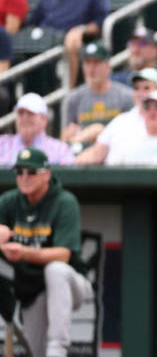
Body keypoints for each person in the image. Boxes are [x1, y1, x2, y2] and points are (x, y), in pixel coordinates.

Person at [0, 148, 93, 357]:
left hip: (73, 284)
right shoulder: (9, 201)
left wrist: (23, 252)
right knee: (38, 352)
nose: (25, 177)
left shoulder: (64, 201)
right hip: (34, 290)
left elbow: (63, 255)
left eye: (32, 172)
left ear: (47, 174)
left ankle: (58, 349)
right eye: (20, 172)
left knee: (56, 269)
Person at [27, 0, 108, 88]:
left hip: (69, 41)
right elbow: (33, 21)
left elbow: (100, 22)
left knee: (72, 41)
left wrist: (81, 29)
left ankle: (69, 93)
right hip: (44, 40)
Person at [75, 67, 157, 166]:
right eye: (136, 88)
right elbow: (96, 154)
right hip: (117, 179)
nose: (140, 93)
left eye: (146, 88)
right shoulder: (120, 122)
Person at [60, 41, 133, 147]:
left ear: (108, 67)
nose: (91, 69)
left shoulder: (125, 96)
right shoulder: (74, 98)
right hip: (82, 151)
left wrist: (98, 132)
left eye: (96, 63)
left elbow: (131, 133)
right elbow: (66, 137)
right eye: (87, 63)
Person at [0, 93, 74, 166]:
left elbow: (68, 176)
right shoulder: (2, 144)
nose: (25, 118)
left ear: (44, 119)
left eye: (30, 113)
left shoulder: (60, 149)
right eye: (21, 113)